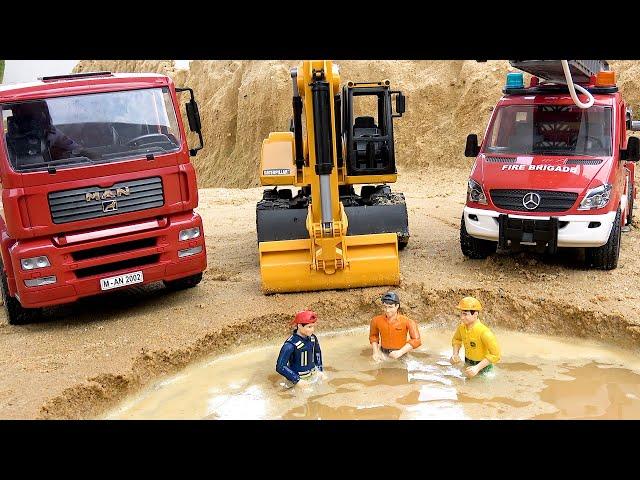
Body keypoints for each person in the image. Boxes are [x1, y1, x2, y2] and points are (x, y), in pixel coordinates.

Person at [449, 296, 501, 377]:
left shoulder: (484, 332)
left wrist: (477, 368)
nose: (462, 317)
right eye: (461, 314)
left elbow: (495, 355)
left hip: (484, 368)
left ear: (475, 314)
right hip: (468, 363)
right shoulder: (461, 327)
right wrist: (455, 354)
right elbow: (457, 340)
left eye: (465, 314)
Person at [275, 310, 324, 387]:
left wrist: (320, 369)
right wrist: (297, 380)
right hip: (298, 379)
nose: (312, 330)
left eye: (313, 326)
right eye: (309, 327)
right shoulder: (290, 345)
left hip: (313, 375)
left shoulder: (313, 338)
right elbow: (280, 367)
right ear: (300, 326)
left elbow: (317, 353)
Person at [369, 291, 421, 361]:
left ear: (397, 306)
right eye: (385, 307)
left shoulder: (408, 321)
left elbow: (417, 340)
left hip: (402, 354)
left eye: (390, 307)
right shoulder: (376, 320)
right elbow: (373, 336)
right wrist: (375, 352)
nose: (387, 310)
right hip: (383, 353)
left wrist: (400, 352)